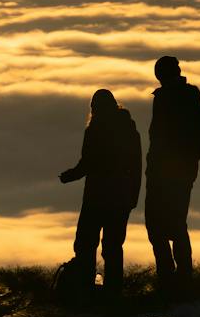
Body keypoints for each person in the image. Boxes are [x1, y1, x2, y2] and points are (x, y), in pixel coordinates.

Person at [58, 88, 142, 297]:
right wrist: (132, 197)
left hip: (96, 197)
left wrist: (70, 175)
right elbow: (137, 166)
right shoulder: (130, 130)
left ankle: (84, 288)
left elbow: (88, 163)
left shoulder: (95, 130)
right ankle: (113, 291)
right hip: (121, 198)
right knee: (113, 246)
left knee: (86, 242)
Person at [146, 55, 200, 289]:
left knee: (163, 223)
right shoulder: (183, 96)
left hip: (170, 171)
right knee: (172, 222)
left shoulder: (173, 98)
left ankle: (172, 278)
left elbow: (190, 139)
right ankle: (179, 277)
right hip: (175, 170)